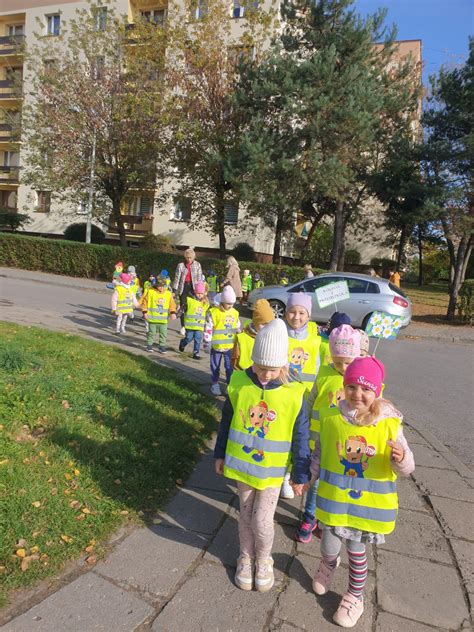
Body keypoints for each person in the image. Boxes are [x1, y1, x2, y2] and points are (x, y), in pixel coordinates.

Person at [311, 357, 414, 627]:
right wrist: (307, 475)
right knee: (328, 545)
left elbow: (407, 468)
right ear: (344, 387)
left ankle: (355, 596)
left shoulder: (389, 425)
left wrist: (400, 457)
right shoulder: (333, 417)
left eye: (366, 389)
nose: (358, 394)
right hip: (334, 502)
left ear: (377, 391)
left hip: (365, 509)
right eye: (352, 387)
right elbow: (320, 452)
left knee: (357, 554)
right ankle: (327, 565)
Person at [214, 318, 311, 592]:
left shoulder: (294, 394)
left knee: (262, 519)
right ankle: (245, 557)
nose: (265, 374)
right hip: (242, 468)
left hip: (271, 471)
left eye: (272, 369)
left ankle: (264, 558)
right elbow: (227, 420)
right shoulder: (240, 382)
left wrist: (300, 474)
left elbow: (301, 436)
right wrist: (219, 453)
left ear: (284, 365)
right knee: (245, 515)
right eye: (260, 367)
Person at [295, 325, 361, 544]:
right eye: (337, 361)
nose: (342, 368)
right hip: (317, 438)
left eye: (348, 363)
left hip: (343, 444)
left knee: (334, 482)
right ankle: (310, 516)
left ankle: (326, 519)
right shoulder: (323, 372)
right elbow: (311, 400)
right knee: (314, 482)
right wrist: (303, 425)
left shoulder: (359, 380)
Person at [281, 293, 321, 499]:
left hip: (304, 399)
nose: (296, 317)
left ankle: (290, 473)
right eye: (292, 311)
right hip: (281, 395)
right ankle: (280, 469)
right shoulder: (279, 334)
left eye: (301, 312)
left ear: (309, 315)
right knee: (281, 434)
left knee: (299, 438)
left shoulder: (315, 341)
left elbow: (317, 369)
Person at [205, 285, 240, 396]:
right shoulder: (213, 312)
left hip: (230, 346)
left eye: (232, 303)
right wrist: (207, 342)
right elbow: (208, 328)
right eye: (228, 303)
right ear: (222, 301)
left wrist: (240, 335)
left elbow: (237, 326)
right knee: (215, 366)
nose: (231, 306)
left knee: (230, 367)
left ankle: (229, 385)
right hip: (216, 346)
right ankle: (215, 384)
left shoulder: (235, 313)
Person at [232, 299, 275, 370]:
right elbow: (235, 358)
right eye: (263, 324)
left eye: (270, 324)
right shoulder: (242, 337)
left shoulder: (272, 337)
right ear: (255, 323)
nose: (267, 327)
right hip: (244, 372)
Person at [140, 276, 177, 353]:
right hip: (152, 319)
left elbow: (172, 304)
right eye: (160, 286)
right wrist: (144, 312)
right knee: (151, 333)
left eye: (163, 286)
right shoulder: (151, 292)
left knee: (163, 334)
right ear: (156, 285)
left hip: (163, 320)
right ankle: (149, 345)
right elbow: (145, 303)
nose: (161, 288)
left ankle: (162, 346)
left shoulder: (168, 294)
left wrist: (172, 312)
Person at [172, 248, 203, 336]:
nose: (189, 259)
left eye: (190, 257)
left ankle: (192, 325)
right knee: (183, 306)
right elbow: (177, 278)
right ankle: (183, 326)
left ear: (193, 257)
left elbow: (200, 278)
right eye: (187, 257)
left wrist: (201, 290)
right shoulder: (181, 265)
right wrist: (175, 289)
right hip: (183, 287)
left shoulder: (197, 265)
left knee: (193, 306)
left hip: (194, 288)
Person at [178, 281, 209, 360]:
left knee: (198, 339)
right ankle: (183, 343)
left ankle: (196, 353)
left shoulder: (205, 302)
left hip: (199, 326)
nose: (200, 295)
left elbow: (209, 311)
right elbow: (183, 308)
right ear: (195, 292)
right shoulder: (190, 300)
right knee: (189, 338)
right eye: (198, 293)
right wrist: (178, 314)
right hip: (190, 325)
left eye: (201, 293)